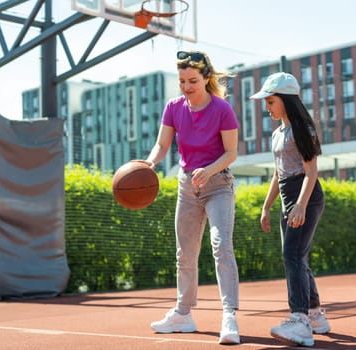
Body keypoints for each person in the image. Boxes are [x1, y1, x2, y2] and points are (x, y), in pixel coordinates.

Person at [145, 50, 241, 344]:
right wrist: (149, 164)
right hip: (187, 188)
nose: (187, 87)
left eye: (193, 81)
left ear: (206, 78)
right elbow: (162, 145)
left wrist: (209, 170)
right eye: (182, 81)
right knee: (184, 255)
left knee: (221, 246)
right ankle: (183, 314)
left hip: (218, 185)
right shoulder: (174, 107)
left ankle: (229, 317)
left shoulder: (222, 109)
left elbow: (231, 153)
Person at [250, 72, 331, 347]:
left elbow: (311, 172)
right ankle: (316, 315)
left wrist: (301, 205)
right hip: (288, 198)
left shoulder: (302, 128)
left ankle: (300, 321)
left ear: (285, 100)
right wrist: (266, 207)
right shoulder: (277, 133)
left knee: (292, 256)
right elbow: (277, 174)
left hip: (306, 196)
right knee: (299, 256)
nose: (267, 107)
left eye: (270, 101)